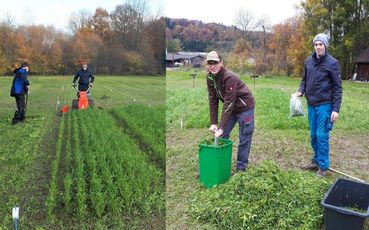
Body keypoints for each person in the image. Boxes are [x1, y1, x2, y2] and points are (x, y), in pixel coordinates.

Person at [294, 33, 342, 177]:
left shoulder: (332, 63)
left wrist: (335, 109)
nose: (318, 47)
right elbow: (304, 80)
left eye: (321, 44)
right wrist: (300, 91)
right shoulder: (309, 61)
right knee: (314, 135)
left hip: (325, 105)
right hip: (311, 104)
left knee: (322, 135)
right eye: (316, 44)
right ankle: (315, 161)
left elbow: (338, 87)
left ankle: (323, 166)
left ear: (325, 46)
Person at [206, 51, 255, 172]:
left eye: (215, 63)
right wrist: (214, 123)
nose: (212, 66)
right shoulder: (210, 78)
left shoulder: (229, 78)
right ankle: (221, 165)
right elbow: (213, 100)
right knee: (222, 135)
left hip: (245, 108)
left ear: (221, 63)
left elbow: (228, 102)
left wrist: (221, 126)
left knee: (244, 137)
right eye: (209, 63)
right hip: (232, 109)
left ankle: (241, 168)